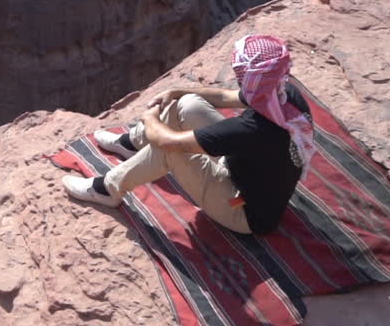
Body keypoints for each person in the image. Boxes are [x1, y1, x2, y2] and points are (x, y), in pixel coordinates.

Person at [62, 34, 316, 235]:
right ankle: (132, 143)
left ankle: (108, 189)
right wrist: (177, 91)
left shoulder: (251, 130)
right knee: (188, 103)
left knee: (170, 151)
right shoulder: (282, 94)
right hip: (248, 169)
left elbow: (168, 141)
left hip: (244, 212)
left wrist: (150, 119)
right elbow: (224, 97)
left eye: (240, 74)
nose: (237, 79)